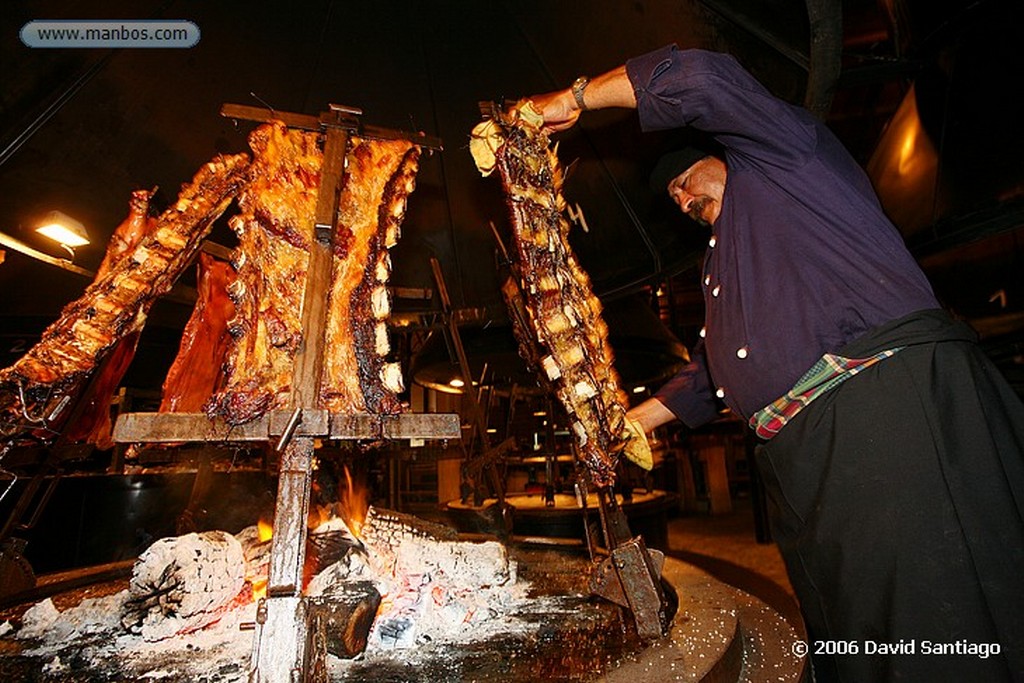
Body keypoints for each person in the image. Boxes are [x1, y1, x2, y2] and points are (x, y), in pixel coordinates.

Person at [526, 45, 1024, 682]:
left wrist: (571, 99)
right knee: (857, 635)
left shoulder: (783, 160)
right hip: (806, 456)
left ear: (724, 155)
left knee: (936, 629)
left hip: (886, 416)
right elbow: (714, 374)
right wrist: (629, 422)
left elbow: (702, 76)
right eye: (672, 195)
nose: (679, 197)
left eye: (684, 179)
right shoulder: (719, 267)